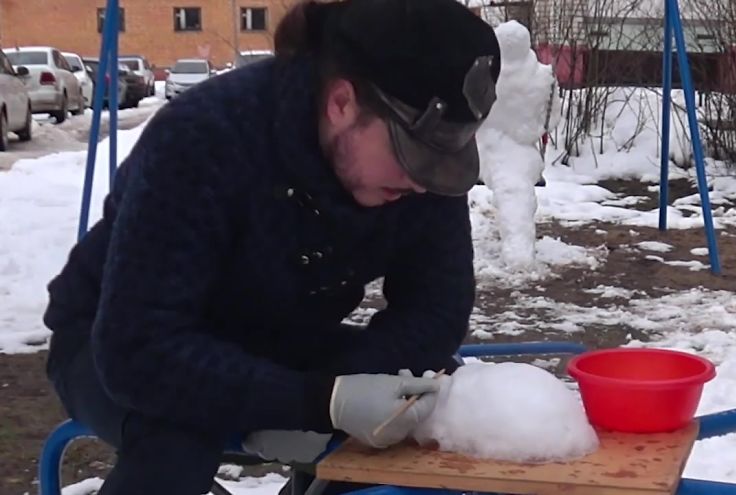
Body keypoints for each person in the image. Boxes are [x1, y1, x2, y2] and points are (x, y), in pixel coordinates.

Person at [41, 0, 501, 493]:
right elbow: (139, 351)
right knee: (175, 435)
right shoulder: (205, 137)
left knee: (426, 408)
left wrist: (360, 382)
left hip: (276, 334)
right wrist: (322, 399)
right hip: (115, 340)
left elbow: (436, 311)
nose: (423, 181)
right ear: (341, 103)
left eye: (441, 159)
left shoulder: (419, 163)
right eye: (413, 156)